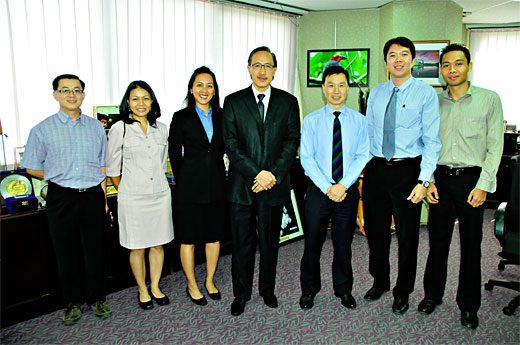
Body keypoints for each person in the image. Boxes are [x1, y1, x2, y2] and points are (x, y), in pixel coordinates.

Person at [418, 44, 504, 329]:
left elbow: (495, 146)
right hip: (440, 179)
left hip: (472, 181)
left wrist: (484, 185)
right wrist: (427, 179)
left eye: (458, 64)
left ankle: (469, 305)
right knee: (437, 242)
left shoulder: (489, 99)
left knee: (471, 246)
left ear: (469, 66)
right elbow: (426, 144)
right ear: (440, 69)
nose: (452, 70)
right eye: (446, 65)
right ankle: (432, 295)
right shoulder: (433, 102)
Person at [21, 74, 112, 325]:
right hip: (61, 196)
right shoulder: (42, 129)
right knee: (66, 251)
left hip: (92, 195)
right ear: (55, 95)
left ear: (83, 94)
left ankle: (97, 298)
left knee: (95, 250)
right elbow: (30, 166)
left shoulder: (96, 127)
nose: (71, 95)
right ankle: (72, 302)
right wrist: (56, 174)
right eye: (65, 91)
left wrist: (103, 199)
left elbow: (102, 165)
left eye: (76, 90)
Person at [363, 36, 441, 315]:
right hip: (376, 169)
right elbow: (369, 132)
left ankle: (402, 291)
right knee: (376, 232)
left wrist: (424, 180)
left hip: (408, 170)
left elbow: (432, 142)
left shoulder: (425, 94)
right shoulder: (376, 92)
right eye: (392, 55)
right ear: (386, 62)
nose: (398, 60)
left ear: (412, 59)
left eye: (404, 54)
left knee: (408, 236)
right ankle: (380, 281)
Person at [222, 46, 301, 316]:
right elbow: (231, 145)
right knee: (241, 244)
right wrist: (258, 173)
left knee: (270, 244)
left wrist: (272, 175)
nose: (262, 71)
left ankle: (268, 290)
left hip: (274, 187)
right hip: (242, 187)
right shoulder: (233, 102)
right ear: (248, 68)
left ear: (275, 70)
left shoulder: (288, 102)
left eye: (268, 66)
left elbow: (291, 143)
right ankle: (241, 294)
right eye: (257, 65)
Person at [299, 66, 370, 310]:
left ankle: (344, 290)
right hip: (319, 192)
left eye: (341, 85)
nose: (336, 90)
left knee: (343, 245)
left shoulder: (360, 121)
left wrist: (342, 185)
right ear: (323, 88)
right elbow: (306, 158)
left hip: (347, 191)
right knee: (312, 245)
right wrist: (328, 187)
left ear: (347, 88)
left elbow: (363, 155)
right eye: (331, 85)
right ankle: (309, 290)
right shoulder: (311, 120)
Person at [106, 80, 174, 310]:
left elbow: (163, 162)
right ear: (128, 102)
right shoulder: (120, 128)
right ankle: (142, 289)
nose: (141, 103)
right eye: (135, 98)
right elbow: (113, 168)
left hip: (160, 195)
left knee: (157, 245)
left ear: (152, 101)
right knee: (137, 247)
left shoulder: (161, 128)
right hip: (133, 198)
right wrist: (127, 188)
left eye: (145, 98)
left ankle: (155, 285)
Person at [169, 66, 226, 306]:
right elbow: (174, 154)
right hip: (189, 189)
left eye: (209, 85)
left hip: (217, 186)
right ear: (191, 89)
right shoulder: (180, 117)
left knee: (214, 237)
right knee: (188, 239)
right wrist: (184, 183)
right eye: (199, 85)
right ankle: (191, 284)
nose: (204, 90)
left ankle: (210, 280)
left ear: (214, 90)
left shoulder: (223, 115)